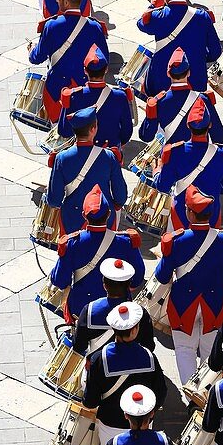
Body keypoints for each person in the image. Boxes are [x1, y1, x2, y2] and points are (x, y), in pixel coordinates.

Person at [153, 185, 223, 386]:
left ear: (190, 213)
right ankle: (205, 393)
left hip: (184, 304)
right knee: (211, 352)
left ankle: (191, 397)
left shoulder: (176, 241)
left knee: (185, 351)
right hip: (214, 303)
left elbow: (162, 275)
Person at [49, 186, 145, 322]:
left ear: (84, 215)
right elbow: (138, 277)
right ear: (109, 214)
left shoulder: (71, 244)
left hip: (82, 308)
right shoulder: (126, 242)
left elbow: (59, 280)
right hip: (118, 310)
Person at [83, 301, 167, 445]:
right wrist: (146, 414)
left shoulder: (98, 359)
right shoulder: (149, 357)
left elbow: (90, 401)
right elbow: (161, 391)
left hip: (110, 424)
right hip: (144, 425)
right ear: (135, 330)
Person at [27, 0, 109, 120]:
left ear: (66, 2)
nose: (56, 0)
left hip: (56, 92)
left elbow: (37, 58)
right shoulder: (95, 27)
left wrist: (31, 50)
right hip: (85, 92)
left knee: (58, 133)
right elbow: (104, 59)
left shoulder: (52, 26)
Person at [153, 97, 223, 229]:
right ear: (210, 125)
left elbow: (163, 186)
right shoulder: (222, 153)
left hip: (182, 213)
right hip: (211, 214)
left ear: (187, 125)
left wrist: (157, 172)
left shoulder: (174, 152)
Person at [46, 106, 127, 236]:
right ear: (93, 129)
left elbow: (54, 200)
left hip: (72, 218)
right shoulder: (109, 156)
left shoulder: (61, 158)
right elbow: (121, 196)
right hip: (103, 217)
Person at [138, 0, 221, 97]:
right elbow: (215, 52)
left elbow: (141, 24)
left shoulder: (158, 16)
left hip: (162, 82)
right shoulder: (202, 16)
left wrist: (156, 2)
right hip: (195, 80)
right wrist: (198, 57)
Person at [139, 48, 223, 153]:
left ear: (168, 73)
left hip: (172, 160)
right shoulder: (203, 99)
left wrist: (150, 116)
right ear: (188, 73)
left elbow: (146, 136)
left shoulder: (159, 102)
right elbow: (219, 135)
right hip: (199, 158)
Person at [72, 257, 154, 356]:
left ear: (104, 286)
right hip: (134, 366)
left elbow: (79, 346)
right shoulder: (141, 313)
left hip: (98, 367)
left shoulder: (89, 310)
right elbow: (149, 346)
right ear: (128, 286)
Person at [58, 45, 134, 151]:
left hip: (82, 155)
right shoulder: (120, 96)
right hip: (110, 154)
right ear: (106, 69)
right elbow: (127, 131)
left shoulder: (74, 96)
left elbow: (64, 130)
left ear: (85, 70)